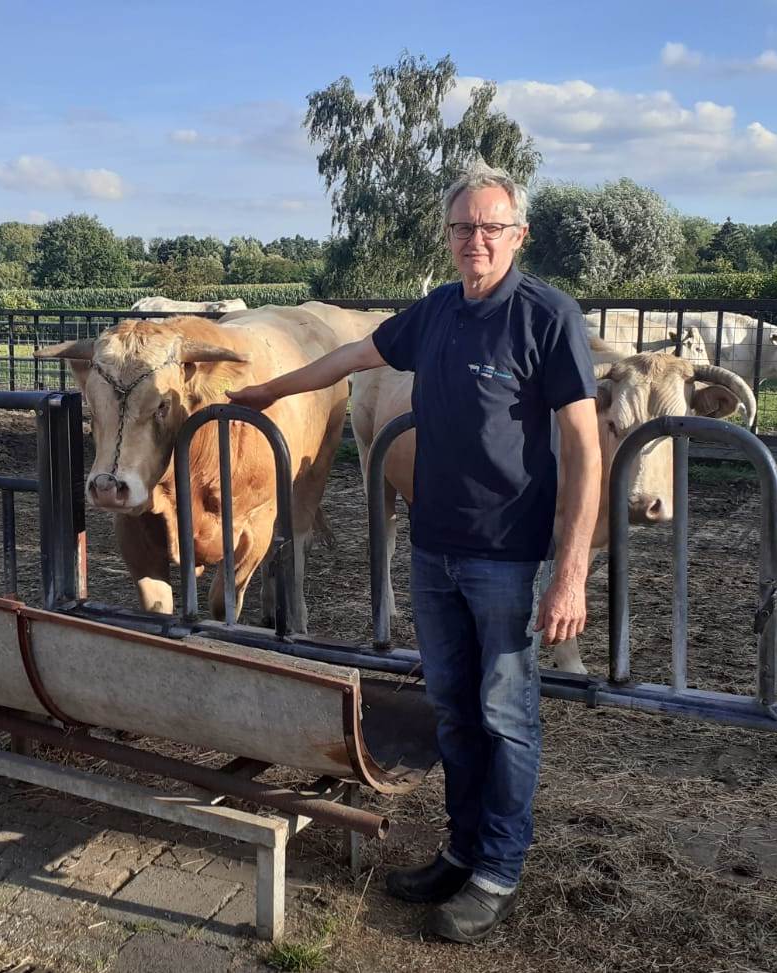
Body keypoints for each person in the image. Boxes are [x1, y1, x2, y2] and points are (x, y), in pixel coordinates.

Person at [228, 163, 601, 943]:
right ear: (450, 235)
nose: (476, 241)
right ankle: (460, 849)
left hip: (506, 557)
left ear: (517, 235)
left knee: (505, 715)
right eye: (463, 227)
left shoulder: (547, 317)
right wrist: (268, 393)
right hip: (433, 552)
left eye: (491, 227)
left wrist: (568, 572)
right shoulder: (433, 314)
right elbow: (352, 359)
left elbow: (583, 446)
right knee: (455, 714)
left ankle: (497, 867)